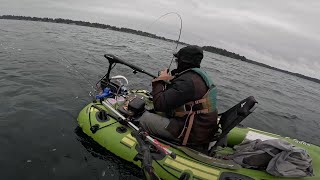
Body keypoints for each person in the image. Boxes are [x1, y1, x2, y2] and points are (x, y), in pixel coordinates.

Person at [139, 45, 218, 147]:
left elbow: (159, 105)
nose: (176, 63)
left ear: (183, 61)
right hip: (202, 129)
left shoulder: (187, 82)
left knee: (145, 118)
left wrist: (159, 80)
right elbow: (181, 95)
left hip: (191, 134)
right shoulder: (198, 76)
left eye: (177, 60)